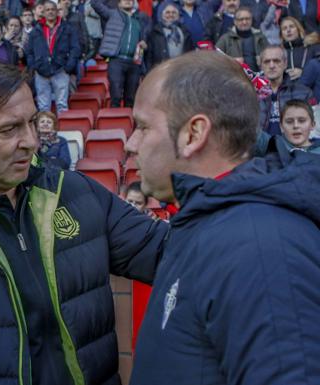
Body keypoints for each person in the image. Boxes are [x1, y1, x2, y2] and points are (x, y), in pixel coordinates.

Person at [0, 58, 168, 385]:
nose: (31, 141)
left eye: (32, 123)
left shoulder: (73, 192)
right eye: (9, 129)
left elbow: (170, 253)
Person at [126, 50, 320, 385]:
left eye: (142, 127)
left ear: (193, 133)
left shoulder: (261, 247)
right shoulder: (209, 221)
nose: (131, 144)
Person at [91, 0, 151, 107]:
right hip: (116, 61)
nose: (128, 1)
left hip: (134, 62)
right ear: (118, 3)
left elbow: (147, 37)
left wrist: (145, 44)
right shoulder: (112, 14)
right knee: (116, 96)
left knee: (131, 98)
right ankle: (114, 122)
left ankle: (129, 122)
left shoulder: (141, 18)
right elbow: (95, 3)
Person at [25, 0, 81, 112]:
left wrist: (68, 67)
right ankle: (45, 130)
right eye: (47, 10)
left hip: (61, 71)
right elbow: (29, 51)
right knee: (43, 107)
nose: (50, 12)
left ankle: (64, 129)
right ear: (43, 13)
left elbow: (75, 49)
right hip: (41, 72)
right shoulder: (35, 31)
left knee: (62, 105)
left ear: (57, 11)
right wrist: (34, 66)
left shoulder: (68, 28)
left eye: (53, 9)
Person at [258, 45, 315, 135]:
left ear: (285, 64)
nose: (272, 65)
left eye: (276, 61)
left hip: (292, 147)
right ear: (261, 66)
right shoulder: (251, 94)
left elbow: (313, 129)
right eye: (267, 62)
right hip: (260, 147)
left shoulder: (304, 93)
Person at [216, 7, 268, 71]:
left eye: (247, 19)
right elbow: (216, 60)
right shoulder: (225, 39)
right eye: (241, 19)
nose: (244, 22)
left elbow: (270, 56)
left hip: (259, 77)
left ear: (251, 20)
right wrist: (231, 62)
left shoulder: (260, 37)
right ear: (235, 21)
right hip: (235, 77)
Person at [146, 2, 194, 71]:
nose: (171, 15)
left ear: (178, 15)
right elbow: (149, 56)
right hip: (161, 69)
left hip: (181, 69)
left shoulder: (185, 31)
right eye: (167, 12)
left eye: (174, 12)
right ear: (162, 15)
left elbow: (190, 52)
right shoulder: (155, 32)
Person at [279, 16, 320, 81]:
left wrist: (304, 73)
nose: (288, 30)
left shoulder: (313, 47)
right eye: (284, 28)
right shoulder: (279, 53)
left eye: (291, 26)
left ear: (299, 30)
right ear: (281, 35)